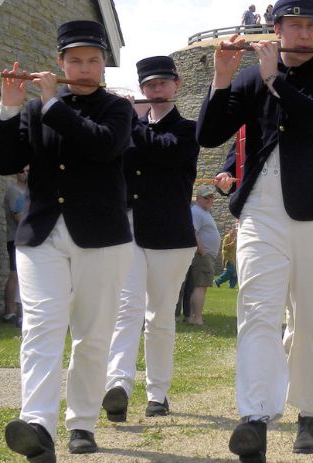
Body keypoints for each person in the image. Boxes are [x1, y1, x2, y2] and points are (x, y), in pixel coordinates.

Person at [197, 0, 313, 456]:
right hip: (261, 210)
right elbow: (208, 135)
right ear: (277, 28)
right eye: (296, 25)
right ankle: (256, 415)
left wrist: (275, 80)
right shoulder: (249, 77)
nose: (305, 34)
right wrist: (224, 77)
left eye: (312, 26)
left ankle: (310, 412)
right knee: (258, 312)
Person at [0, 20, 134, 460]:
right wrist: (11, 108)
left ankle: (83, 423)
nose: (85, 68)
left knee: (92, 336)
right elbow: (6, 162)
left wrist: (52, 102)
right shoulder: (36, 110)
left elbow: (102, 147)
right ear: (59, 61)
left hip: (102, 238)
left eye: (93, 60)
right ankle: (36, 425)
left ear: (104, 65)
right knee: (40, 327)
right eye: (76, 60)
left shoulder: (118, 109)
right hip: (42, 235)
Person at [102, 55, 199, 424]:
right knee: (126, 310)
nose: (156, 90)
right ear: (142, 90)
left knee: (159, 316)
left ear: (177, 85)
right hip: (129, 233)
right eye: (149, 86)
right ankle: (118, 386)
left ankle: (157, 393)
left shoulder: (189, 130)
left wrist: (128, 121)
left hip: (171, 237)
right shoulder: (129, 128)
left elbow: (166, 151)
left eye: (162, 84)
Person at [185, 185, 220, 325]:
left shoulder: (203, 212)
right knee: (201, 286)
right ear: (198, 198)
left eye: (212, 197)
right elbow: (193, 233)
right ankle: (196, 318)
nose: (210, 200)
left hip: (205, 255)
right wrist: (203, 253)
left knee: (201, 286)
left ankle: (195, 316)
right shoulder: (197, 212)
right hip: (202, 255)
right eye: (207, 197)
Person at [2, 167, 27, 327]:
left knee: (24, 276)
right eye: (22, 170)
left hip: (27, 238)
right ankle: (9, 313)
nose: (25, 173)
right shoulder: (13, 190)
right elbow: (18, 217)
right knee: (14, 274)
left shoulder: (31, 191)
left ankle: (21, 313)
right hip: (15, 238)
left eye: (27, 170)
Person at [215, 223, 238, 288]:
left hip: (234, 258)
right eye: (234, 229)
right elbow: (225, 247)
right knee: (230, 271)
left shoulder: (237, 238)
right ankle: (217, 282)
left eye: (236, 230)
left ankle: (231, 287)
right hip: (228, 257)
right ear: (231, 229)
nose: (235, 231)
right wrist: (233, 243)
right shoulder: (227, 237)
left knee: (235, 273)